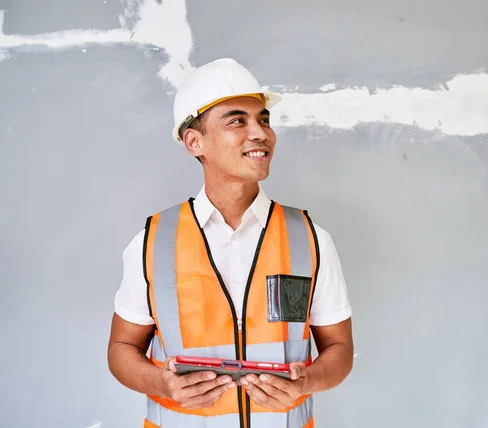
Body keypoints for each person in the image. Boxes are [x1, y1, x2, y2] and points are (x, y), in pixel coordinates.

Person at [107, 58, 354, 428]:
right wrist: (162, 383)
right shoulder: (153, 243)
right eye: (238, 121)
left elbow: (340, 349)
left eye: (264, 120)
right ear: (195, 141)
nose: (261, 134)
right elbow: (121, 349)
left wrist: (308, 382)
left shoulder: (310, 239)